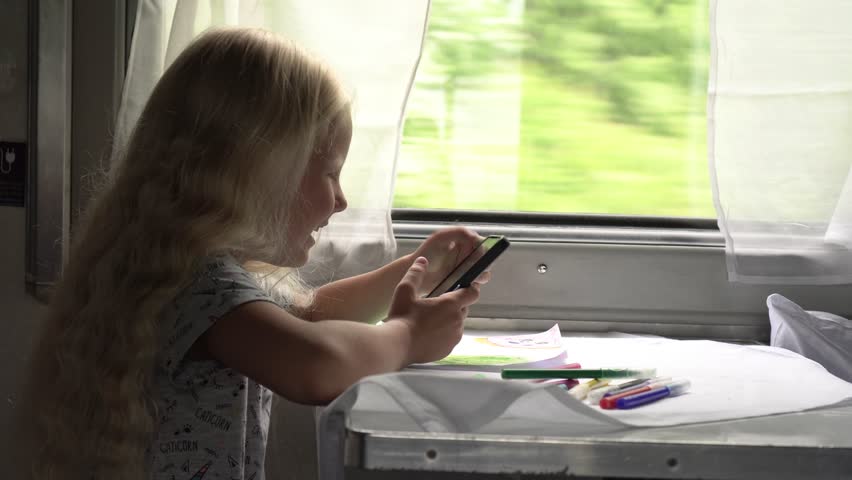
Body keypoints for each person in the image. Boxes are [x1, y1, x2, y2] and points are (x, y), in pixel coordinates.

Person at [14, 27, 488, 480]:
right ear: (260, 172)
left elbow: (308, 319)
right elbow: (314, 363)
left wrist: (415, 271)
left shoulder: (180, 269)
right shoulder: (202, 284)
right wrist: (406, 337)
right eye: (330, 173)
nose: (340, 200)